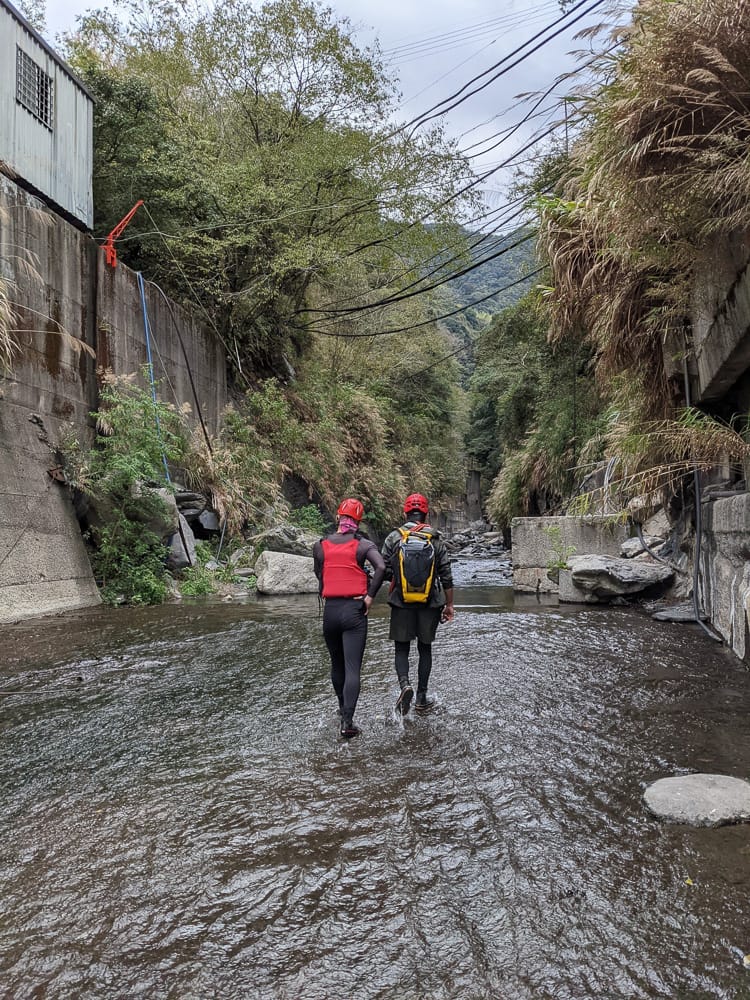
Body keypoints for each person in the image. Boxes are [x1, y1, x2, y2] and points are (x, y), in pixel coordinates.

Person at [313, 498, 385, 738]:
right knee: (352, 667)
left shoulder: (320, 545)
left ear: (338, 517)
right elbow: (381, 568)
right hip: (354, 610)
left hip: (330, 611)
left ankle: (341, 707)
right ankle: (347, 722)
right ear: (358, 521)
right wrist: (370, 597)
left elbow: (319, 573)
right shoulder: (363, 545)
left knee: (337, 664)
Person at [381, 492, 454, 716]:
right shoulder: (435, 538)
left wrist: (398, 578)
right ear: (426, 514)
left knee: (401, 649)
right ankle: (421, 698)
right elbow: (446, 575)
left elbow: (383, 568)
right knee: (425, 648)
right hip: (429, 603)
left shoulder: (394, 537)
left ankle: (405, 685)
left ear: (405, 513)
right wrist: (449, 605)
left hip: (401, 602)